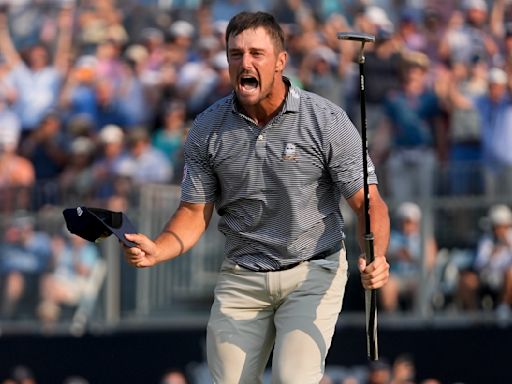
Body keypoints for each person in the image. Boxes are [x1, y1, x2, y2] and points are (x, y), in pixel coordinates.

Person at [122, 11, 390, 383]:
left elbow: (369, 203)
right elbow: (192, 212)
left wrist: (376, 257)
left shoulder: (325, 119)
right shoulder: (207, 128)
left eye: (256, 54)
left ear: (281, 61)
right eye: (235, 54)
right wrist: (159, 249)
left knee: (290, 379)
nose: (244, 63)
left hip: (313, 270)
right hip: (243, 276)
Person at [380, 202, 437, 312]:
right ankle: (393, 321)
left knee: (422, 286)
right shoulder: (391, 236)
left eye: (409, 221)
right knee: (387, 287)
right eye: (403, 221)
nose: (405, 225)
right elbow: (382, 256)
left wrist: (411, 258)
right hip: (396, 277)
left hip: (417, 276)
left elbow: (430, 262)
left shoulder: (426, 238)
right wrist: (395, 255)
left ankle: (420, 319)